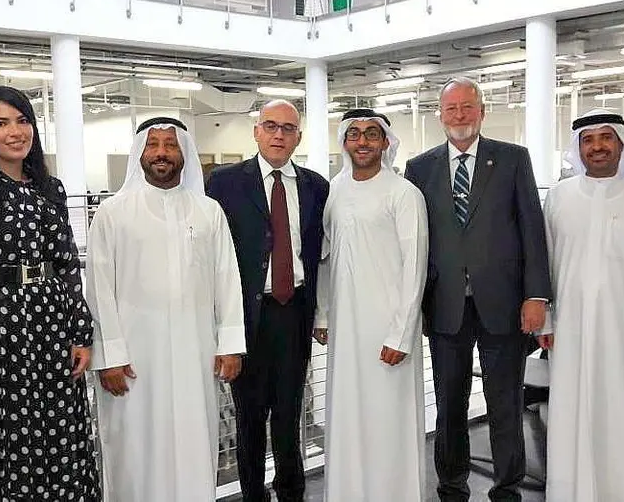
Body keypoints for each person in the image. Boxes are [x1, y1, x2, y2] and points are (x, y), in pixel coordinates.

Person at [0, 85, 100, 499]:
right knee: (3, 429)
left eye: (22, 120)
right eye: (1, 123)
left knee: (56, 424)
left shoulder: (51, 189)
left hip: (51, 321)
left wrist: (79, 331)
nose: (15, 131)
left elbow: (67, 264)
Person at [405, 77, 551, 502]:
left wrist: (536, 295)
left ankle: (507, 489)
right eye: (451, 109)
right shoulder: (421, 168)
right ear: (440, 115)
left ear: (482, 111)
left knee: (505, 403)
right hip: (445, 305)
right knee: (450, 405)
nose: (460, 116)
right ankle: (451, 487)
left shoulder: (512, 160)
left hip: (504, 305)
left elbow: (532, 231)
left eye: (467, 107)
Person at [86, 117, 246, 502]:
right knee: (135, 449)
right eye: (153, 144)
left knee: (195, 445)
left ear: (184, 154)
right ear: (140, 153)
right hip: (134, 364)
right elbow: (98, 289)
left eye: (170, 145)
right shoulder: (113, 212)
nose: (161, 153)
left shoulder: (208, 212)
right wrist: (109, 356)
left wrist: (230, 344)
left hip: (196, 356)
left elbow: (227, 280)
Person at [536, 108, 624, 502]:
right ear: (577, 147)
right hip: (571, 335)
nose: (597, 146)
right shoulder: (560, 197)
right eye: (588, 139)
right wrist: (545, 320)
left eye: (605, 138)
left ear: (620, 143)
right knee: (571, 422)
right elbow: (545, 265)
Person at [206, 100, 329, 502]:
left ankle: (292, 492)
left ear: (298, 136)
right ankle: (252, 494)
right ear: (256, 131)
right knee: (250, 419)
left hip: (293, 313)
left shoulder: (315, 186)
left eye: (288, 128)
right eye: (271, 126)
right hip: (245, 317)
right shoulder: (224, 183)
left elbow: (320, 255)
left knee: (291, 413)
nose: (279, 135)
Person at [314, 109, 429, 501]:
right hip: (346, 329)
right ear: (345, 143)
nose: (362, 142)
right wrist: (323, 313)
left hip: (388, 329)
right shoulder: (336, 189)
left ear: (385, 142)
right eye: (354, 135)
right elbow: (325, 259)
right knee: (348, 416)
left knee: (388, 419)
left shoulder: (403, 193)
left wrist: (401, 333)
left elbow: (416, 266)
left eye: (371, 134)